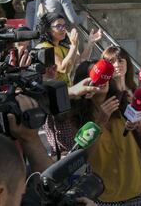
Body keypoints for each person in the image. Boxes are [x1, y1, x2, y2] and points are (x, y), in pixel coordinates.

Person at [71, 60, 141, 206]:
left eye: (104, 75)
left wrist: (138, 121)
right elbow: (85, 154)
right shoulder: (78, 117)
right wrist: (101, 121)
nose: (102, 79)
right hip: (105, 199)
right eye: (95, 76)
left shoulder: (123, 101)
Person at [36, 12, 102, 157]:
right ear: (47, 29)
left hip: (68, 97)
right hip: (54, 101)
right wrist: (73, 46)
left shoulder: (63, 46)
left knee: (74, 140)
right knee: (62, 145)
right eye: (58, 26)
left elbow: (80, 61)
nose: (62, 29)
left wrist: (90, 43)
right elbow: (63, 67)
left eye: (64, 26)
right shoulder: (44, 47)